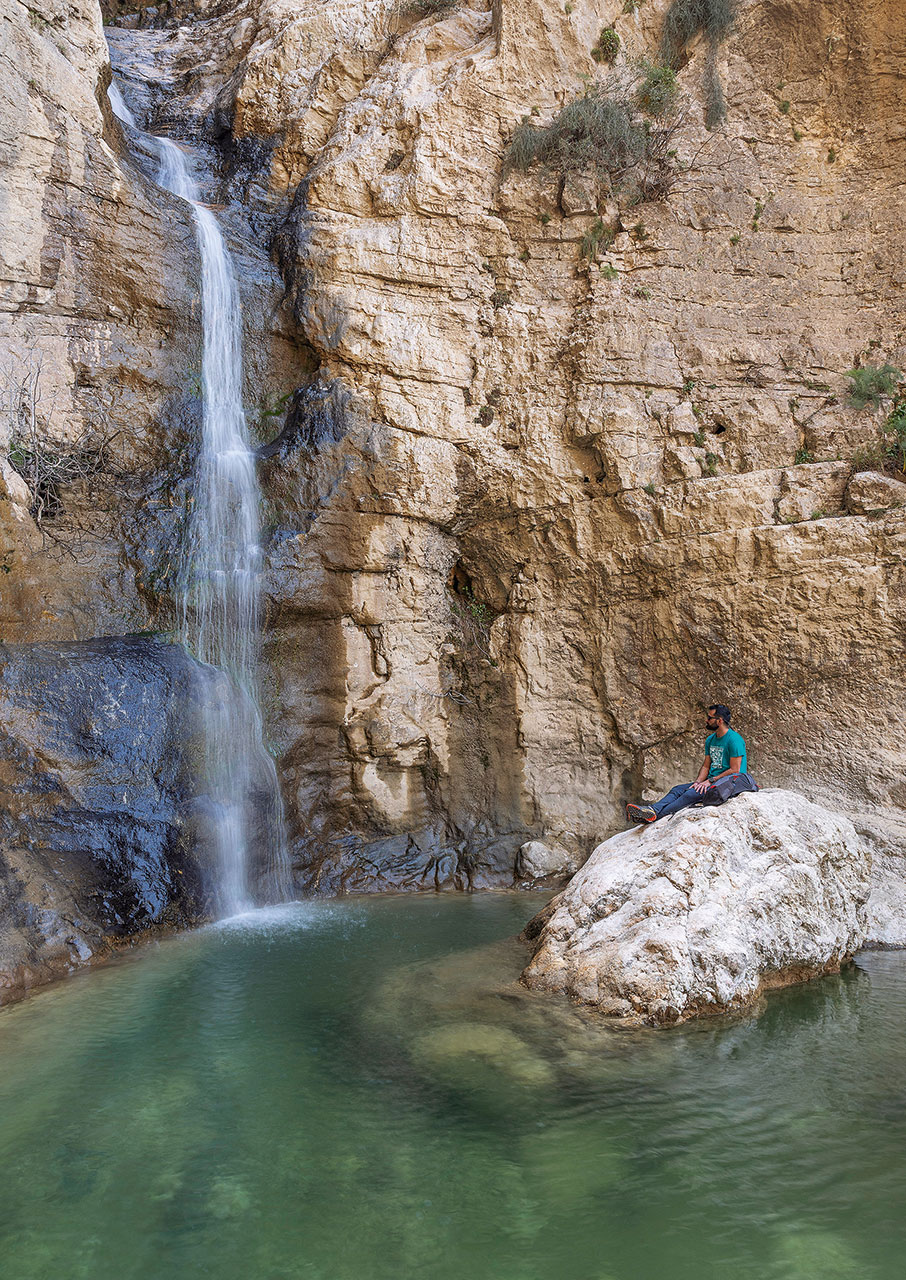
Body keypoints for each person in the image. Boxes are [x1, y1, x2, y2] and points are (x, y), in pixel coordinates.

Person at [626, 704, 748, 824]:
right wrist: (698, 782)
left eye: (710, 718)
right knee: (677, 790)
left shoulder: (734, 740)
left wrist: (710, 781)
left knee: (689, 794)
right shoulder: (710, 740)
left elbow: (735, 770)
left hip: (729, 783)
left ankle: (653, 816)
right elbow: (706, 765)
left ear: (720, 720)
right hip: (713, 781)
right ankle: (652, 810)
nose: (707, 720)